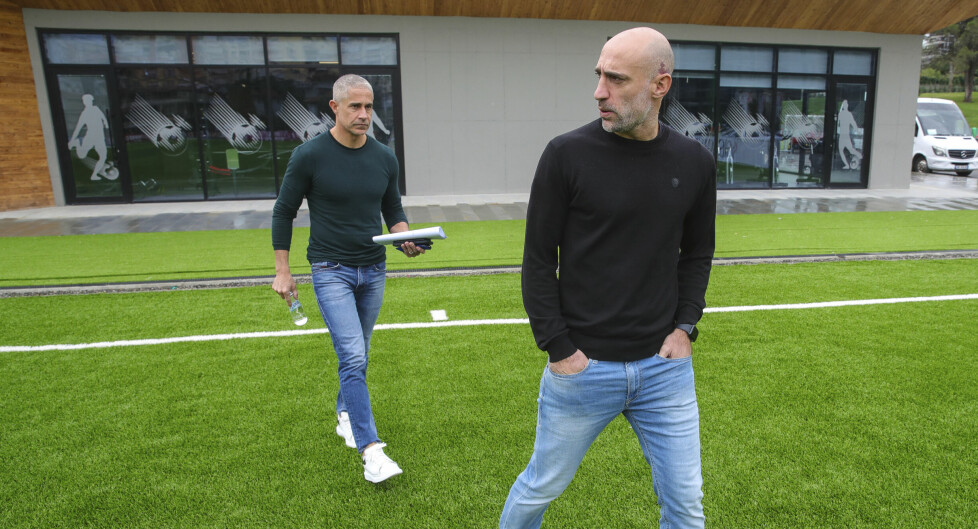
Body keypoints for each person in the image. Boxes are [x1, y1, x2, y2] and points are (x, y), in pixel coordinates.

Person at [500, 27, 716, 529]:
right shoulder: (566, 155)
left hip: (665, 371)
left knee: (686, 505)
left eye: (616, 79)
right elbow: (537, 261)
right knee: (540, 488)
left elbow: (698, 251)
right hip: (582, 369)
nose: (600, 91)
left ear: (660, 85)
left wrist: (685, 327)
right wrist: (559, 349)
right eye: (599, 76)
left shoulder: (694, 162)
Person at [271, 74, 425, 484]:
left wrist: (405, 239)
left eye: (369, 107)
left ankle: (345, 413)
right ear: (334, 108)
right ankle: (371, 451)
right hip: (329, 270)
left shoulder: (384, 157)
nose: (363, 115)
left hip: (374, 268)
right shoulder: (309, 155)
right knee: (353, 356)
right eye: (355, 107)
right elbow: (283, 211)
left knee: (359, 352)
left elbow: (392, 209)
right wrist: (282, 270)